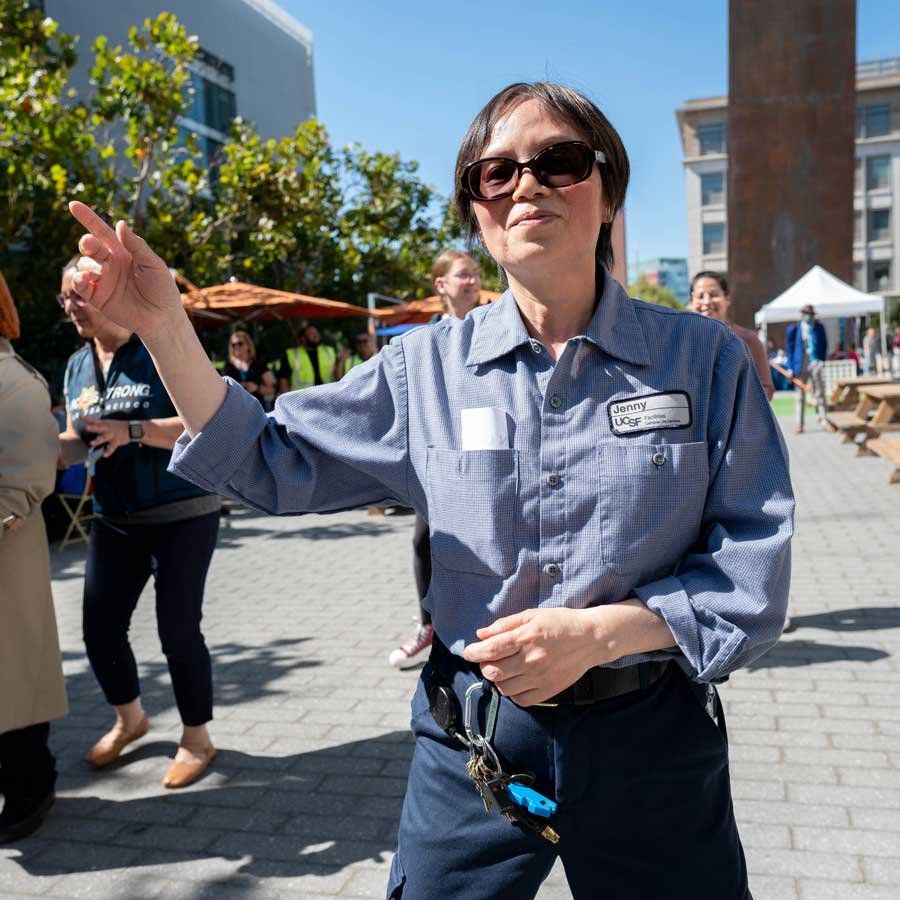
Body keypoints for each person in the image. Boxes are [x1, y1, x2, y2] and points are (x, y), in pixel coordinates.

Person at [67, 80, 793, 900]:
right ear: (476, 213)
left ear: (608, 190)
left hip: (654, 739)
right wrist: (165, 326)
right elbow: (269, 459)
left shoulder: (706, 361)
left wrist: (601, 636)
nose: (527, 184)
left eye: (558, 161)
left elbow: (752, 575)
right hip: (475, 741)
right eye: (497, 173)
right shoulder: (425, 370)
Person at [56, 258, 220, 789]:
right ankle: (130, 718)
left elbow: (204, 422)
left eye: (78, 295)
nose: (70, 306)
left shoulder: (157, 348)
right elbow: (80, 439)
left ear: (104, 294)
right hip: (113, 516)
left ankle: (197, 738)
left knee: (177, 628)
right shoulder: (77, 365)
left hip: (182, 511)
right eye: (64, 298)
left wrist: (134, 431)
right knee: (99, 629)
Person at [389, 250, 484, 669]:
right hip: (438, 462)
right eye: (464, 275)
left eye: (477, 274)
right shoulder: (420, 343)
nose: (473, 281)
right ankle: (430, 627)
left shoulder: (499, 327)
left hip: (488, 460)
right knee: (424, 541)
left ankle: (481, 626)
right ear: (441, 284)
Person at [0, 272, 67, 842]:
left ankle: (31, 789)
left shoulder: (14, 382)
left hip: (6, 568)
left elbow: (21, 487)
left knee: (14, 688)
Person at [689, 271, 775, 400]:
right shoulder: (682, 342)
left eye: (713, 295)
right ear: (691, 301)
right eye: (700, 296)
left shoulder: (747, 339)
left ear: (727, 299)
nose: (706, 302)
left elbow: (766, 389)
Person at [786, 303, 828, 433]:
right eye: (806, 314)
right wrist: (790, 368)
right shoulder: (794, 329)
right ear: (802, 315)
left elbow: (824, 345)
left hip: (815, 364)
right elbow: (790, 350)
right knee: (799, 396)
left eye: (810, 315)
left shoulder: (819, 328)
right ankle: (800, 425)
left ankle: (824, 420)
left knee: (820, 393)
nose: (808, 317)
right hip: (800, 366)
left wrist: (821, 360)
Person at [222, 329, 275, 409]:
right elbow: (222, 391)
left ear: (248, 345)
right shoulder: (228, 367)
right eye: (233, 345)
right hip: (235, 410)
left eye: (240, 343)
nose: (236, 346)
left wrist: (257, 388)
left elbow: (272, 390)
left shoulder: (259, 364)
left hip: (257, 410)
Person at [277, 323, 338, 392]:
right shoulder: (292, 354)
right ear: (303, 338)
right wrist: (285, 400)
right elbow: (283, 380)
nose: (316, 335)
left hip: (327, 395)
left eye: (317, 332)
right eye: (311, 333)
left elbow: (338, 375)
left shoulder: (329, 351)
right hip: (302, 398)